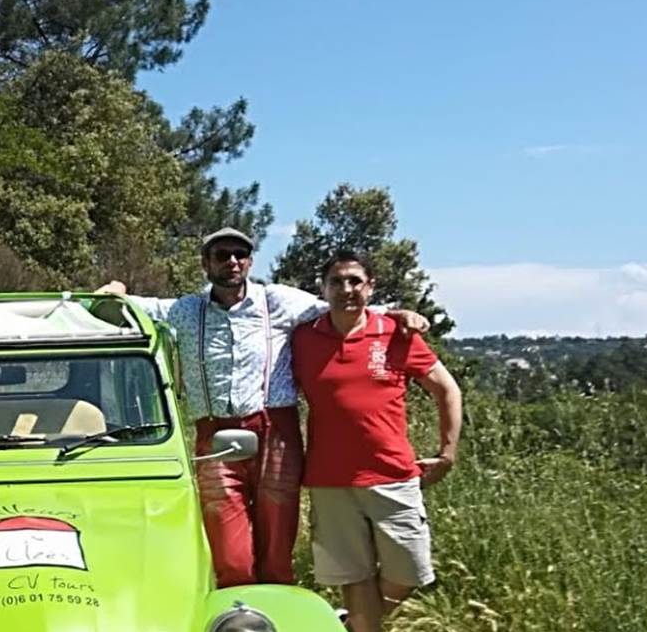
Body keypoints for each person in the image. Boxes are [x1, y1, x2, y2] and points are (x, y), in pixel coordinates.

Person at [100, 228, 430, 588]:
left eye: (239, 254)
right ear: (205, 263)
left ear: (250, 261)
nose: (232, 262)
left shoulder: (277, 301)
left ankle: (276, 629)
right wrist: (118, 293)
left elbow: (341, 305)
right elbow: (139, 307)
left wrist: (397, 314)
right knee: (232, 556)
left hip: (275, 431)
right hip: (216, 438)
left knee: (276, 550)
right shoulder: (185, 309)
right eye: (222, 255)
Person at [292, 250, 463, 632]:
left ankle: (350, 626)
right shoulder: (305, 338)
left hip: (393, 475)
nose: (346, 290)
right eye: (336, 282)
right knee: (354, 573)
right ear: (323, 288)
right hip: (330, 479)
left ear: (369, 287)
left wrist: (447, 452)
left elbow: (446, 388)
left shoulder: (394, 333)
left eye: (354, 282)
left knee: (410, 570)